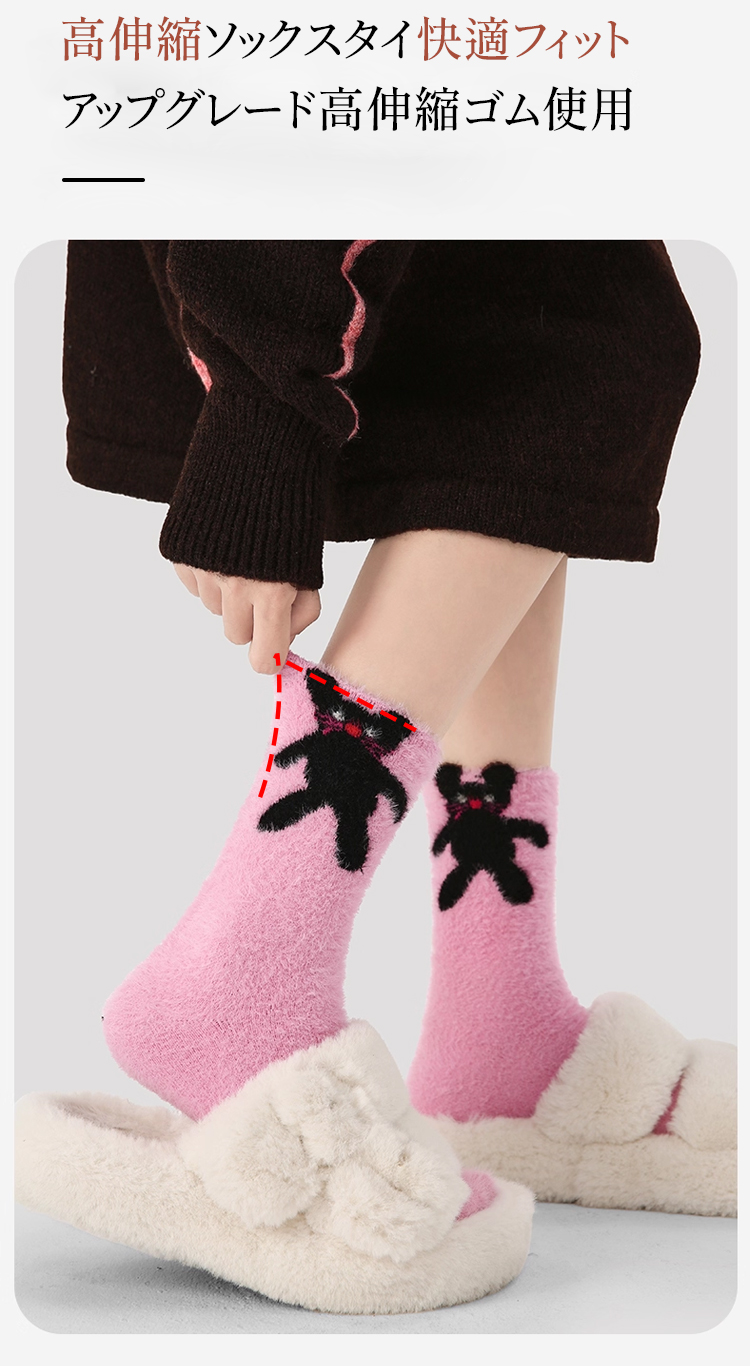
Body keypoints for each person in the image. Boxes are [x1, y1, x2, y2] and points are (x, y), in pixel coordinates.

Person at [15, 241, 735, 1316]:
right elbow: (268, 163)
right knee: (576, 355)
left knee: (513, 382)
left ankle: (500, 1017)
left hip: (309, 240)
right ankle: (240, 969)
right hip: (270, 242)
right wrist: (263, 401)